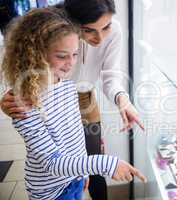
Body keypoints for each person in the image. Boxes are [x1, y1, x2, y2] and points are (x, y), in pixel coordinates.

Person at [0, 0, 144, 199]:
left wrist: (122, 99)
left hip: (79, 97)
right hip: (45, 100)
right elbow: (25, 64)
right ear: (72, 23)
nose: (100, 38)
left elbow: (110, 75)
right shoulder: (52, 27)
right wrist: (11, 98)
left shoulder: (67, 83)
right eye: (89, 30)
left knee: (91, 159)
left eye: (106, 27)